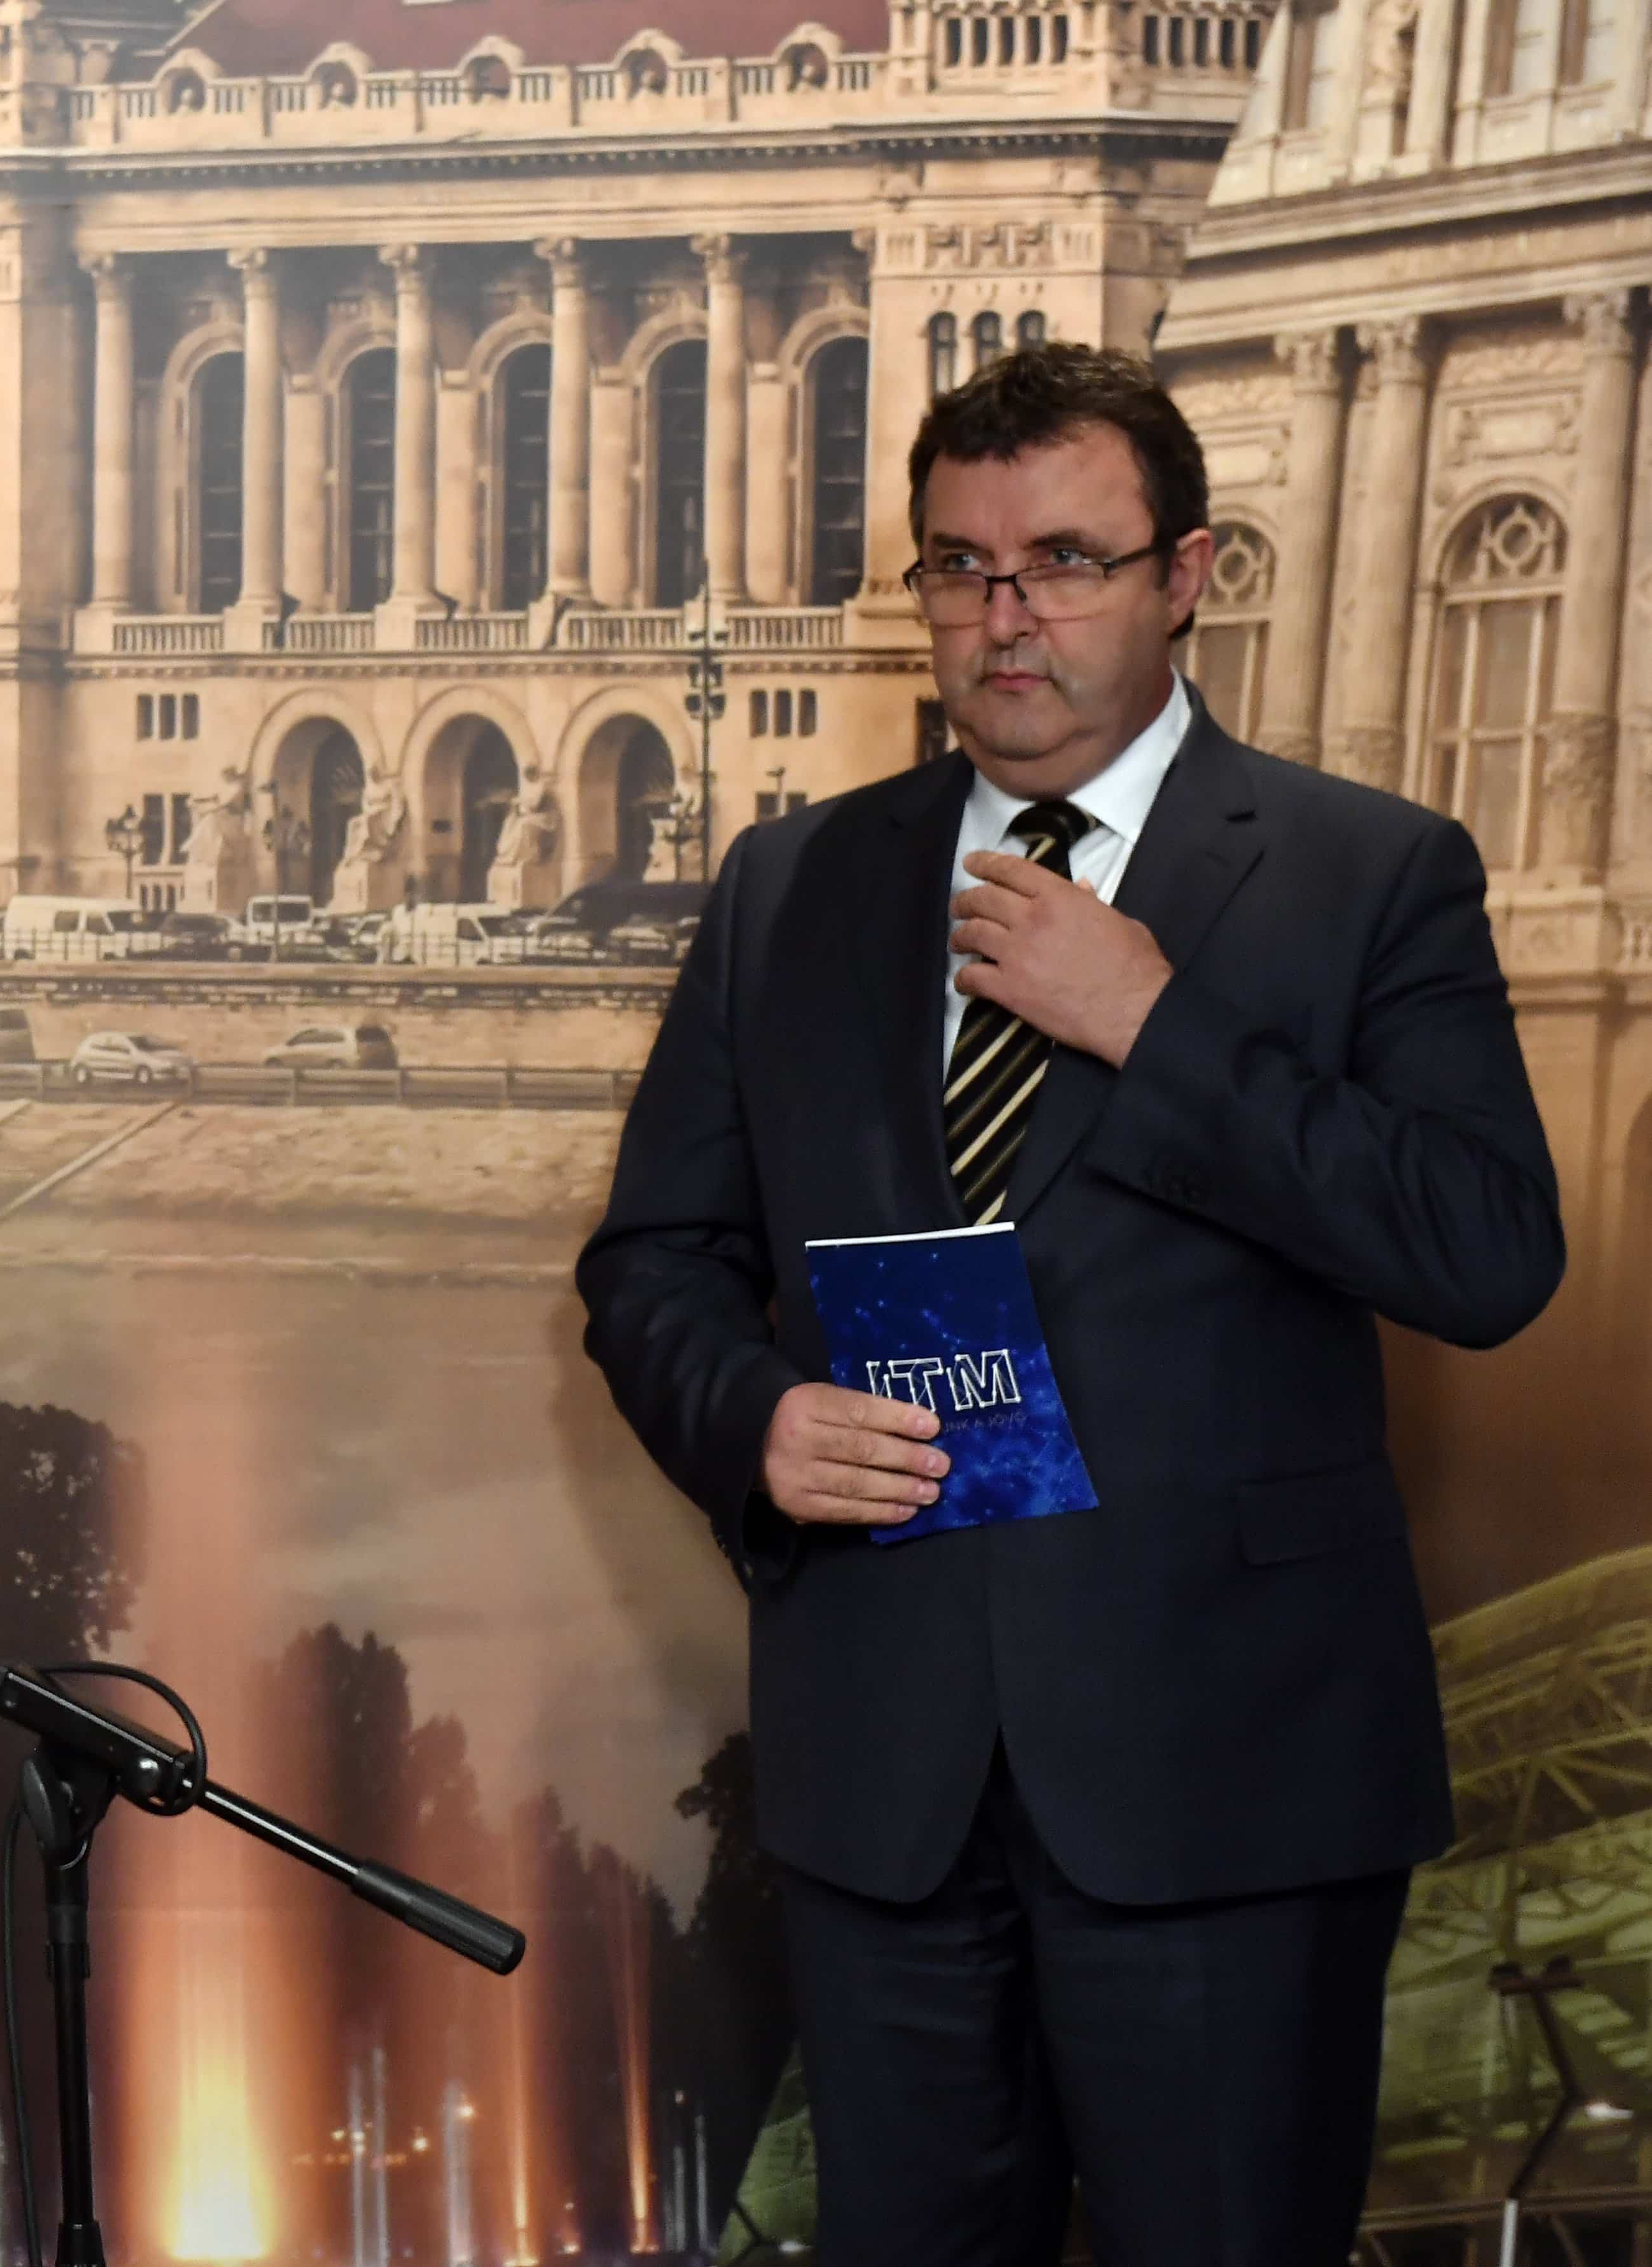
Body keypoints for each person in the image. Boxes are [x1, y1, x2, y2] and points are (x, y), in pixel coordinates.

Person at [576, 344, 1562, 2257]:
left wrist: (1154, 1023)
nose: (1003, 617)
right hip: (885, 1781)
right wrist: (752, 1423)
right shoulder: (790, 884)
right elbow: (652, 1262)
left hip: (1230, 1784)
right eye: (960, 567)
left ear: (1184, 576)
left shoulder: (1370, 873)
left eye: (1062, 563)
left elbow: (1484, 1252)